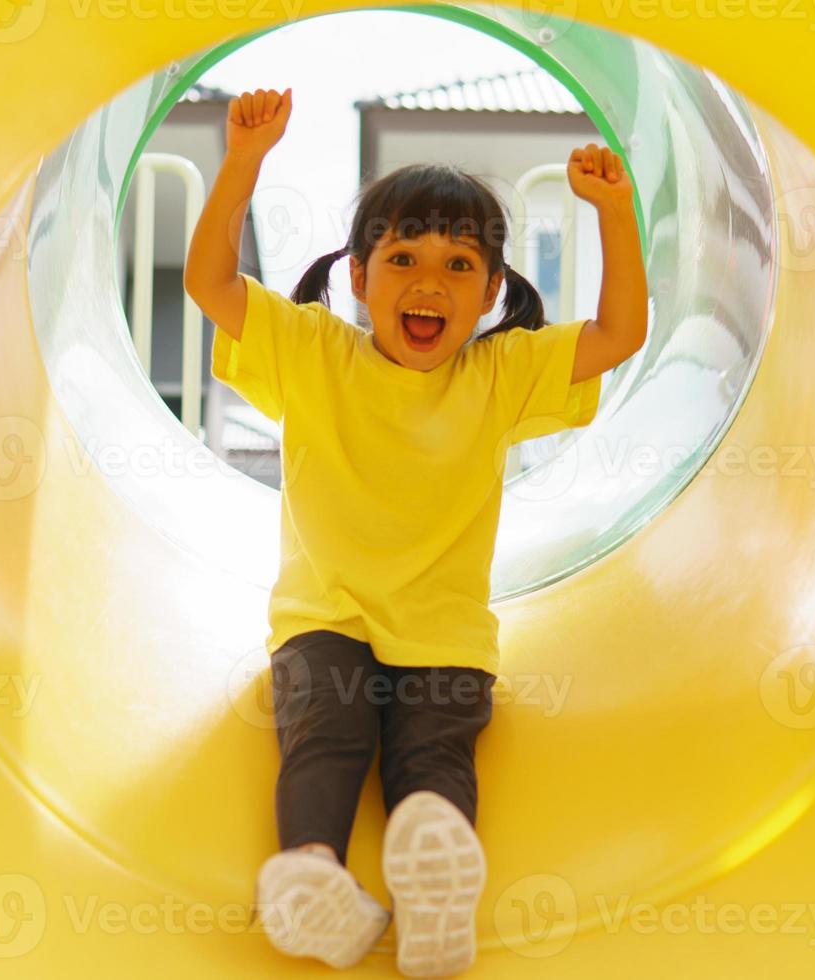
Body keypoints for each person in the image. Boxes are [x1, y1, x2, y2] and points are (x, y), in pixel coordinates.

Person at [184, 87, 647, 977]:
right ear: (357, 278)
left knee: (434, 747)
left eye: (460, 265)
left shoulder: (501, 372)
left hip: (441, 631)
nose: (430, 282)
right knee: (325, 729)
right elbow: (209, 282)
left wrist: (614, 215)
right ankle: (310, 875)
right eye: (403, 258)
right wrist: (242, 160)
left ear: (491, 293)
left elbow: (620, 333)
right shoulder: (312, 352)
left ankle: (434, 874)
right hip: (327, 617)